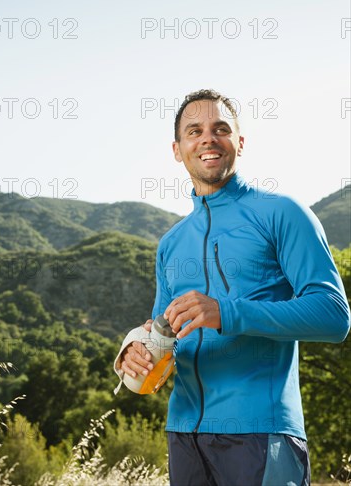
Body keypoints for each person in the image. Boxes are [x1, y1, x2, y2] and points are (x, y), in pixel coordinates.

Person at [116, 89, 350, 486]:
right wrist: (134, 352)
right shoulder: (171, 243)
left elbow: (333, 315)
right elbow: (163, 334)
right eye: (195, 131)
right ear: (178, 149)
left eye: (220, 128)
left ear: (239, 143)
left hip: (260, 432)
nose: (208, 138)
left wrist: (226, 312)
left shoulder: (283, 213)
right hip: (184, 436)